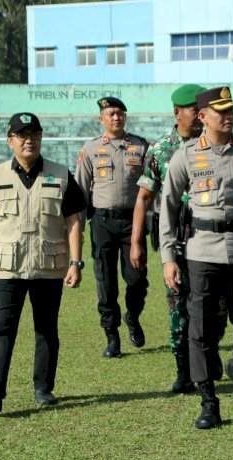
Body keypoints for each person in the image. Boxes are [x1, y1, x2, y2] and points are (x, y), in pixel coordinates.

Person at [158, 86, 233, 429]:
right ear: (202, 116)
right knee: (200, 328)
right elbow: (167, 206)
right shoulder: (184, 155)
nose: (227, 116)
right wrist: (169, 256)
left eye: (231, 111)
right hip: (202, 251)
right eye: (220, 111)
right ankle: (208, 401)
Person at [0, 112, 85, 413]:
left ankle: (43, 389)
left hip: (49, 267)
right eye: (22, 135)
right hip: (8, 268)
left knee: (46, 330)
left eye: (34, 134)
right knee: (2, 330)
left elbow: (73, 221)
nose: (29, 140)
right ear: (10, 141)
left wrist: (76, 262)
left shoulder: (61, 174)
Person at [130, 83, 209, 393]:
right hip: (175, 239)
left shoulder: (215, 143)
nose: (201, 116)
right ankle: (184, 370)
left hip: (209, 237)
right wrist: (136, 241)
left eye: (204, 111)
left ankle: (207, 356)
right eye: (194, 111)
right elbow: (144, 197)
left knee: (213, 307)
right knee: (178, 305)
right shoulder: (161, 148)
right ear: (178, 112)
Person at [76, 97, 149, 358]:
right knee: (105, 282)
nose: (116, 117)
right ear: (101, 119)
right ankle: (112, 335)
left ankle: (133, 315)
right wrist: (78, 230)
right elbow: (82, 190)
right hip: (102, 222)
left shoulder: (140, 146)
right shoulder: (92, 148)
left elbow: (151, 187)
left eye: (120, 113)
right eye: (110, 113)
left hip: (134, 222)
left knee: (137, 278)